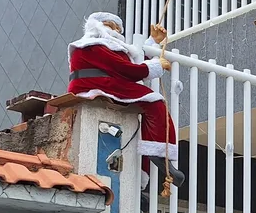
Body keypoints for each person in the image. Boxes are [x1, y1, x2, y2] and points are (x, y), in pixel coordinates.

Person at [67, 12, 185, 190]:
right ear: (97, 25)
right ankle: (161, 154)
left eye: (118, 28)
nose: (115, 30)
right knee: (154, 101)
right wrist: (157, 65)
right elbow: (128, 69)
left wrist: (152, 43)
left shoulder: (105, 45)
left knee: (143, 120)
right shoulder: (93, 45)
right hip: (97, 84)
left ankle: (142, 180)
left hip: (105, 83)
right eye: (111, 26)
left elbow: (132, 62)